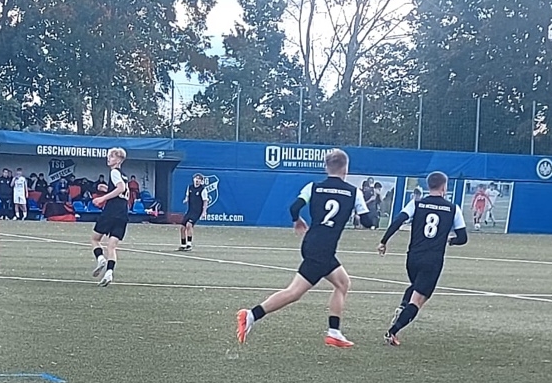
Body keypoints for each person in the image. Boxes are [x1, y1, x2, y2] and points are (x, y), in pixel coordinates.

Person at [236, 149, 373, 348]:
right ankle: (251, 315)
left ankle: (334, 332)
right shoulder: (354, 192)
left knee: (343, 283)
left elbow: (294, 207)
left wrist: (297, 220)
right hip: (323, 250)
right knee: (294, 292)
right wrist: (358, 212)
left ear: (326, 168)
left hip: (313, 244)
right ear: (346, 168)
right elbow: (368, 222)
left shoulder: (313, 187)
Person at [378, 171, 468, 346]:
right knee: (418, 300)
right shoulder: (453, 208)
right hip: (432, 260)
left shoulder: (416, 203)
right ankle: (393, 332)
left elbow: (398, 221)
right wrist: (450, 240)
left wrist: (384, 241)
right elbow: (463, 237)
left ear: (428, 186)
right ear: (444, 187)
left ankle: (403, 306)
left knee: (416, 287)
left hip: (413, 258)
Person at [90, 148, 130, 287]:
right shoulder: (124, 175)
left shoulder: (114, 172)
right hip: (123, 213)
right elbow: (121, 191)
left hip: (112, 211)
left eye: (111, 157)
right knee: (112, 246)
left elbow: (120, 188)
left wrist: (102, 198)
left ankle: (100, 258)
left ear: (118, 160)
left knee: (95, 239)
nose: (108, 159)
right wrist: (106, 189)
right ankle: (109, 273)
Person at [179, 173, 208, 251]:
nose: (197, 180)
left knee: (189, 225)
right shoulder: (190, 187)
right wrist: (186, 199)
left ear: (201, 181)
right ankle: (183, 245)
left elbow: (205, 201)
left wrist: (204, 212)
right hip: (190, 211)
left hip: (197, 211)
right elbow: (187, 196)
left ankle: (189, 244)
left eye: (199, 179)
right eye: (196, 179)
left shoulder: (203, 189)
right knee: (182, 227)